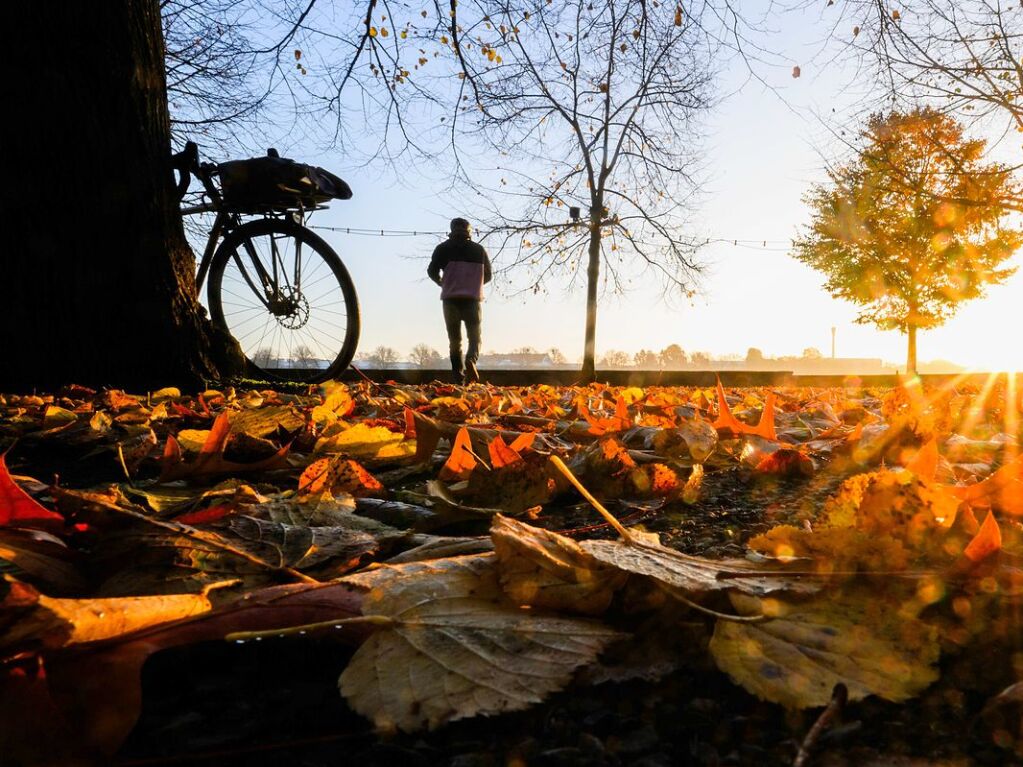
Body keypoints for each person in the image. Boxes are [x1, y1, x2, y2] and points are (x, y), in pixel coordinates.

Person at [427, 218, 493, 384]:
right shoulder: (479, 250)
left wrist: (442, 282)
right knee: (475, 337)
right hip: (472, 299)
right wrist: (474, 284)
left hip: (450, 300)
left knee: (455, 340)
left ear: (452, 229)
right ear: (469, 231)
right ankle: (471, 360)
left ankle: (458, 375)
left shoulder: (442, 249)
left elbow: (431, 271)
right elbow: (489, 275)